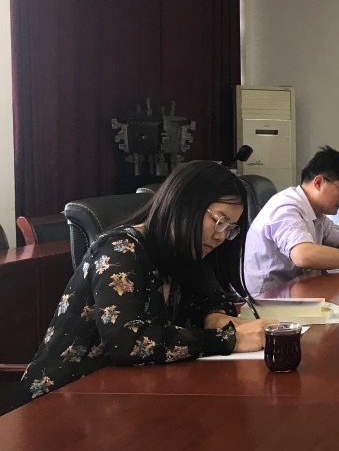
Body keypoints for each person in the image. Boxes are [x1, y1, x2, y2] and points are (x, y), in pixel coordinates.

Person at [18, 161, 272, 405]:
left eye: (230, 228)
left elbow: (209, 297)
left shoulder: (185, 250)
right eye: (219, 221)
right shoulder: (120, 250)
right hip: (64, 400)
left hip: (125, 394)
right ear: (184, 205)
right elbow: (127, 343)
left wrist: (213, 316)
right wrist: (229, 339)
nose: (221, 236)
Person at [244, 146, 339, 295]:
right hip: (268, 299)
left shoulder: (317, 213)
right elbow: (303, 255)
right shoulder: (286, 207)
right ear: (319, 182)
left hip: (298, 291)